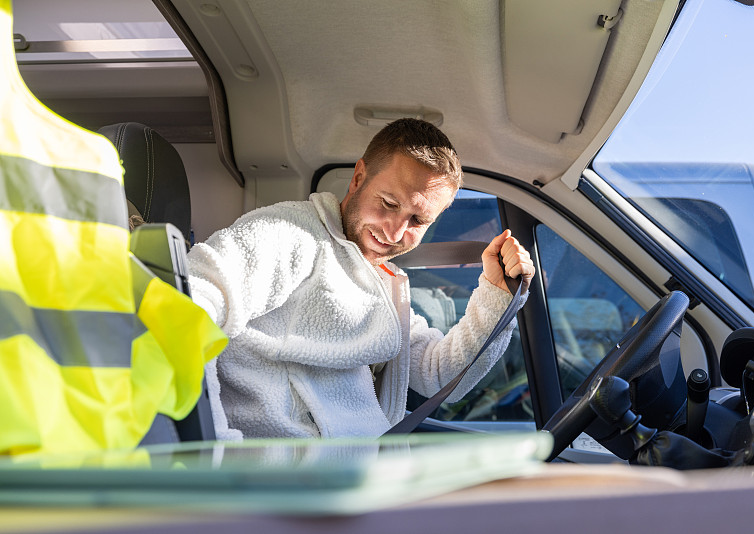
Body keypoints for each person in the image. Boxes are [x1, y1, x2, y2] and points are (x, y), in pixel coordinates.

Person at [187, 118, 534, 439]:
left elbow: (439, 375)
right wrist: (215, 450)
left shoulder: (383, 281)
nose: (395, 231)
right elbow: (191, 304)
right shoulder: (288, 234)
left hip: (365, 479)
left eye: (417, 221)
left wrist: (497, 295)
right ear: (358, 178)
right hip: (282, 486)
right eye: (388, 202)